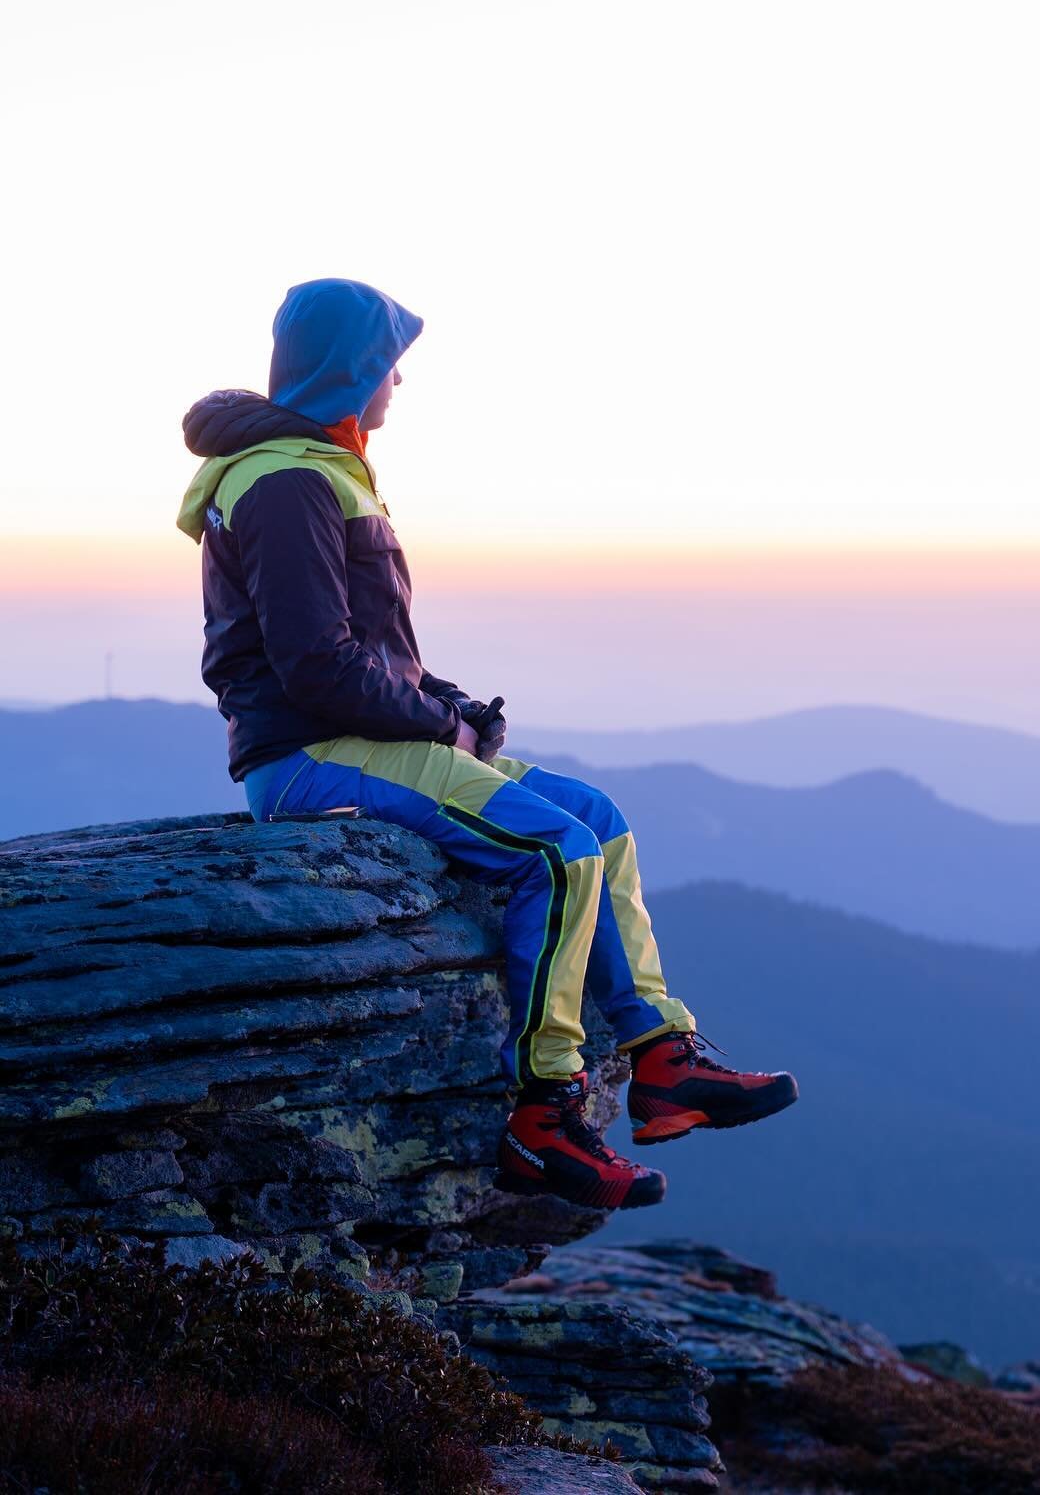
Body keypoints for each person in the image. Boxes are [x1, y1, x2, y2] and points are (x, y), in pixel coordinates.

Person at [177, 278, 797, 1211]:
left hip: (356, 735)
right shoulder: (287, 481)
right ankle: (546, 1115)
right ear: (354, 369)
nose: (399, 384)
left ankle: (664, 1059)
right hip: (311, 756)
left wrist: (448, 700)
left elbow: (362, 646)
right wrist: (439, 724)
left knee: (600, 819)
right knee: (556, 850)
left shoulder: (314, 465)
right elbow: (314, 666)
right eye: (392, 364)